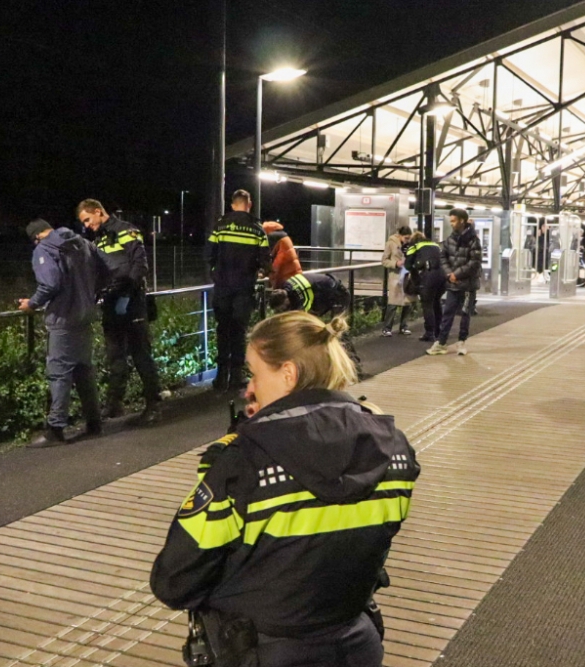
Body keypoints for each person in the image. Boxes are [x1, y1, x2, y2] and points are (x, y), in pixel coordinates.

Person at [150, 311, 419, 667]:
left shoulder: (243, 460)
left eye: (255, 373)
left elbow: (175, 580)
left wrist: (242, 445)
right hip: (356, 645)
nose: (249, 387)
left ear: (288, 374)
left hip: (262, 651)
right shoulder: (394, 448)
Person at [76, 199, 162, 424]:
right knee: (115, 355)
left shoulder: (126, 231)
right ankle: (115, 405)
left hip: (132, 300)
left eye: (87, 219)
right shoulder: (99, 238)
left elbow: (140, 265)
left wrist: (127, 292)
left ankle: (154, 404)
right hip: (111, 302)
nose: (86, 225)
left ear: (98, 212)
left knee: (141, 354)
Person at [19, 219, 103, 446]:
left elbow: (50, 284)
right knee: (84, 370)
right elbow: (105, 270)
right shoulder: (83, 243)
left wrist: (32, 304)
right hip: (85, 316)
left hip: (63, 319)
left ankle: (55, 429)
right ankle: (94, 422)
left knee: (59, 373)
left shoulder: (44, 249)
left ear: (37, 237)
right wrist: (90, 298)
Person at [208, 189, 271, 391]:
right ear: (249, 204)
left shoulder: (220, 225)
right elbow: (265, 261)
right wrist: (260, 272)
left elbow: (209, 253)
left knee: (222, 329)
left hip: (223, 287)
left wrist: (215, 273)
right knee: (238, 331)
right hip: (244, 287)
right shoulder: (257, 229)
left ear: (233, 204)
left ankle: (220, 378)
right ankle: (236, 376)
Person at [427, 208, 482, 356]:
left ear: (462, 221)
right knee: (447, 313)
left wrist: (456, 274)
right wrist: (449, 273)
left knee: (465, 314)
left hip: (468, 285)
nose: (451, 224)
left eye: (453, 221)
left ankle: (461, 342)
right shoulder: (450, 239)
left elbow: (474, 262)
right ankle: (441, 343)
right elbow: (443, 257)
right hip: (452, 283)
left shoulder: (474, 240)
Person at [404, 231, 446, 342]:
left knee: (427, 304)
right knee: (436, 302)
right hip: (443, 276)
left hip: (429, 275)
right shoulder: (435, 245)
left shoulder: (414, 246)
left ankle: (429, 333)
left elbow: (407, 266)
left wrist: (414, 270)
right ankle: (438, 331)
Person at [380, 225, 415, 337]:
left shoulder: (411, 244)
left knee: (407, 301)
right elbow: (384, 260)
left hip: (408, 274)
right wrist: (395, 263)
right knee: (393, 302)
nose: (407, 240)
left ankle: (404, 326)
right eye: (405, 238)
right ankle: (387, 328)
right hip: (396, 275)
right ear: (400, 236)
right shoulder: (391, 243)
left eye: (409, 238)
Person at [263, 221, 302, 289]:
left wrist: (267, 274)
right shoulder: (285, 237)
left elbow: (276, 264)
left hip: (286, 279)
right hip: (295, 276)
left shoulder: (273, 238)